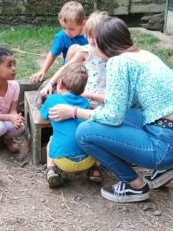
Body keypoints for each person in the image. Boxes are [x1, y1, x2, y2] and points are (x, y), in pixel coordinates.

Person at [48, 17, 173, 203]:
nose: (94, 51)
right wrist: (93, 96)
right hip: (166, 130)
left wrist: (73, 112)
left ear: (103, 44)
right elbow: (126, 103)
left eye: (94, 45)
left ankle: (134, 185)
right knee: (126, 114)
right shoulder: (144, 55)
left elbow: (113, 117)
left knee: (85, 132)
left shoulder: (118, 62)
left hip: (162, 144)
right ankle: (166, 167)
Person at [38, 62, 96, 188]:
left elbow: (41, 120)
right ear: (82, 89)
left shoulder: (52, 99)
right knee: (95, 140)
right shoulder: (85, 102)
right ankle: (96, 170)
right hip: (88, 160)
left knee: (51, 140)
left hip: (64, 162)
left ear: (59, 83)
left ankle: (51, 170)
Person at [39, 11, 108, 109]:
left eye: (95, 37)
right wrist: (50, 83)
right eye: (89, 36)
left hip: (103, 102)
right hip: (83, 99)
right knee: (49, 96)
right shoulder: (86, 52)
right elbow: (66, 68)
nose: (92, 41)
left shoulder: (113, 54)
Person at [30, 1, 88, 83]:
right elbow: (53, 54)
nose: (67, 32)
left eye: (71, 29)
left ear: (83, 23)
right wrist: (43, 71)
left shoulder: (90, 34)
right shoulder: (62, 36)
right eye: (64, 28)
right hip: (71, 72)